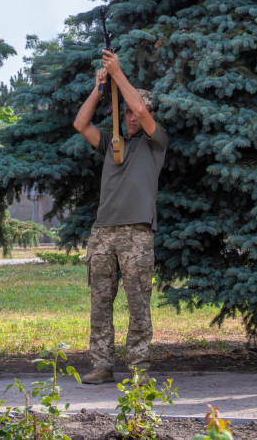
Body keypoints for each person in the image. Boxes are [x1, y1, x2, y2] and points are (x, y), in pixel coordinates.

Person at [73, 49, 169, 385]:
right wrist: (99, 89)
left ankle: (139, 369)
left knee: (138, 305)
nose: (131, 116)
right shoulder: (112, 143)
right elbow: (80, 124)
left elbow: (142, 108)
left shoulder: (156, 143)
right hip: (103, 233)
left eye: (135, 113)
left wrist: (118, 74)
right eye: (125, 112)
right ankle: (102, 365)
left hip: (137, 234)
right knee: (100, 303)